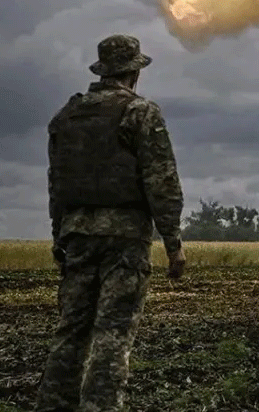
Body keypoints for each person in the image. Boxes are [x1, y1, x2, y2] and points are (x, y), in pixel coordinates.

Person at [35, 34, 186, 412]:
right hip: (123, 239)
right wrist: (173, 243)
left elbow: (57, 185)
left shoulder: (65, 117)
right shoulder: (140, 113)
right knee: (113, 335)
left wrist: (60, 237)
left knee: (71, 331)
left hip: (76, 235)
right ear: (134, 72)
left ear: (102, 70)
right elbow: (161, 181)